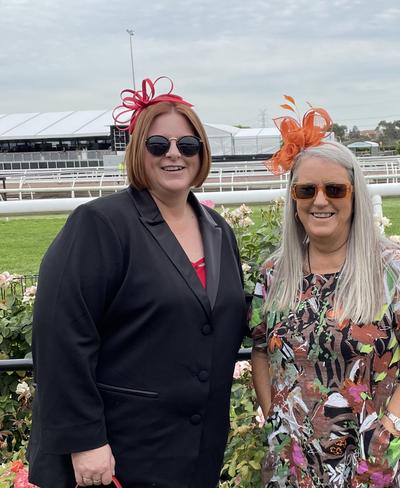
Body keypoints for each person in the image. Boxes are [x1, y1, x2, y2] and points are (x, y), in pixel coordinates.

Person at [28, 77, 248, 487]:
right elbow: (61, 334)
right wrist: (84, 440)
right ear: (137, 151)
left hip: (196, 449)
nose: (174, 155)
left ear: (202, 153)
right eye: (158, 145)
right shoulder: (100, 224)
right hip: (118, 451)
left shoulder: (218, 230)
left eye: (188, 145)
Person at [249, 99, 400, 487]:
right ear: (293, 199)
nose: (320, 201)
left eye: (334, 189)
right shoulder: (275, 273)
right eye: (307, 190)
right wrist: (275, 416)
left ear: (354, 195)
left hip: (372, 464)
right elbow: (259, 351)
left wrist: (388, 432)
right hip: (294, 461)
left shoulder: (393, 269)